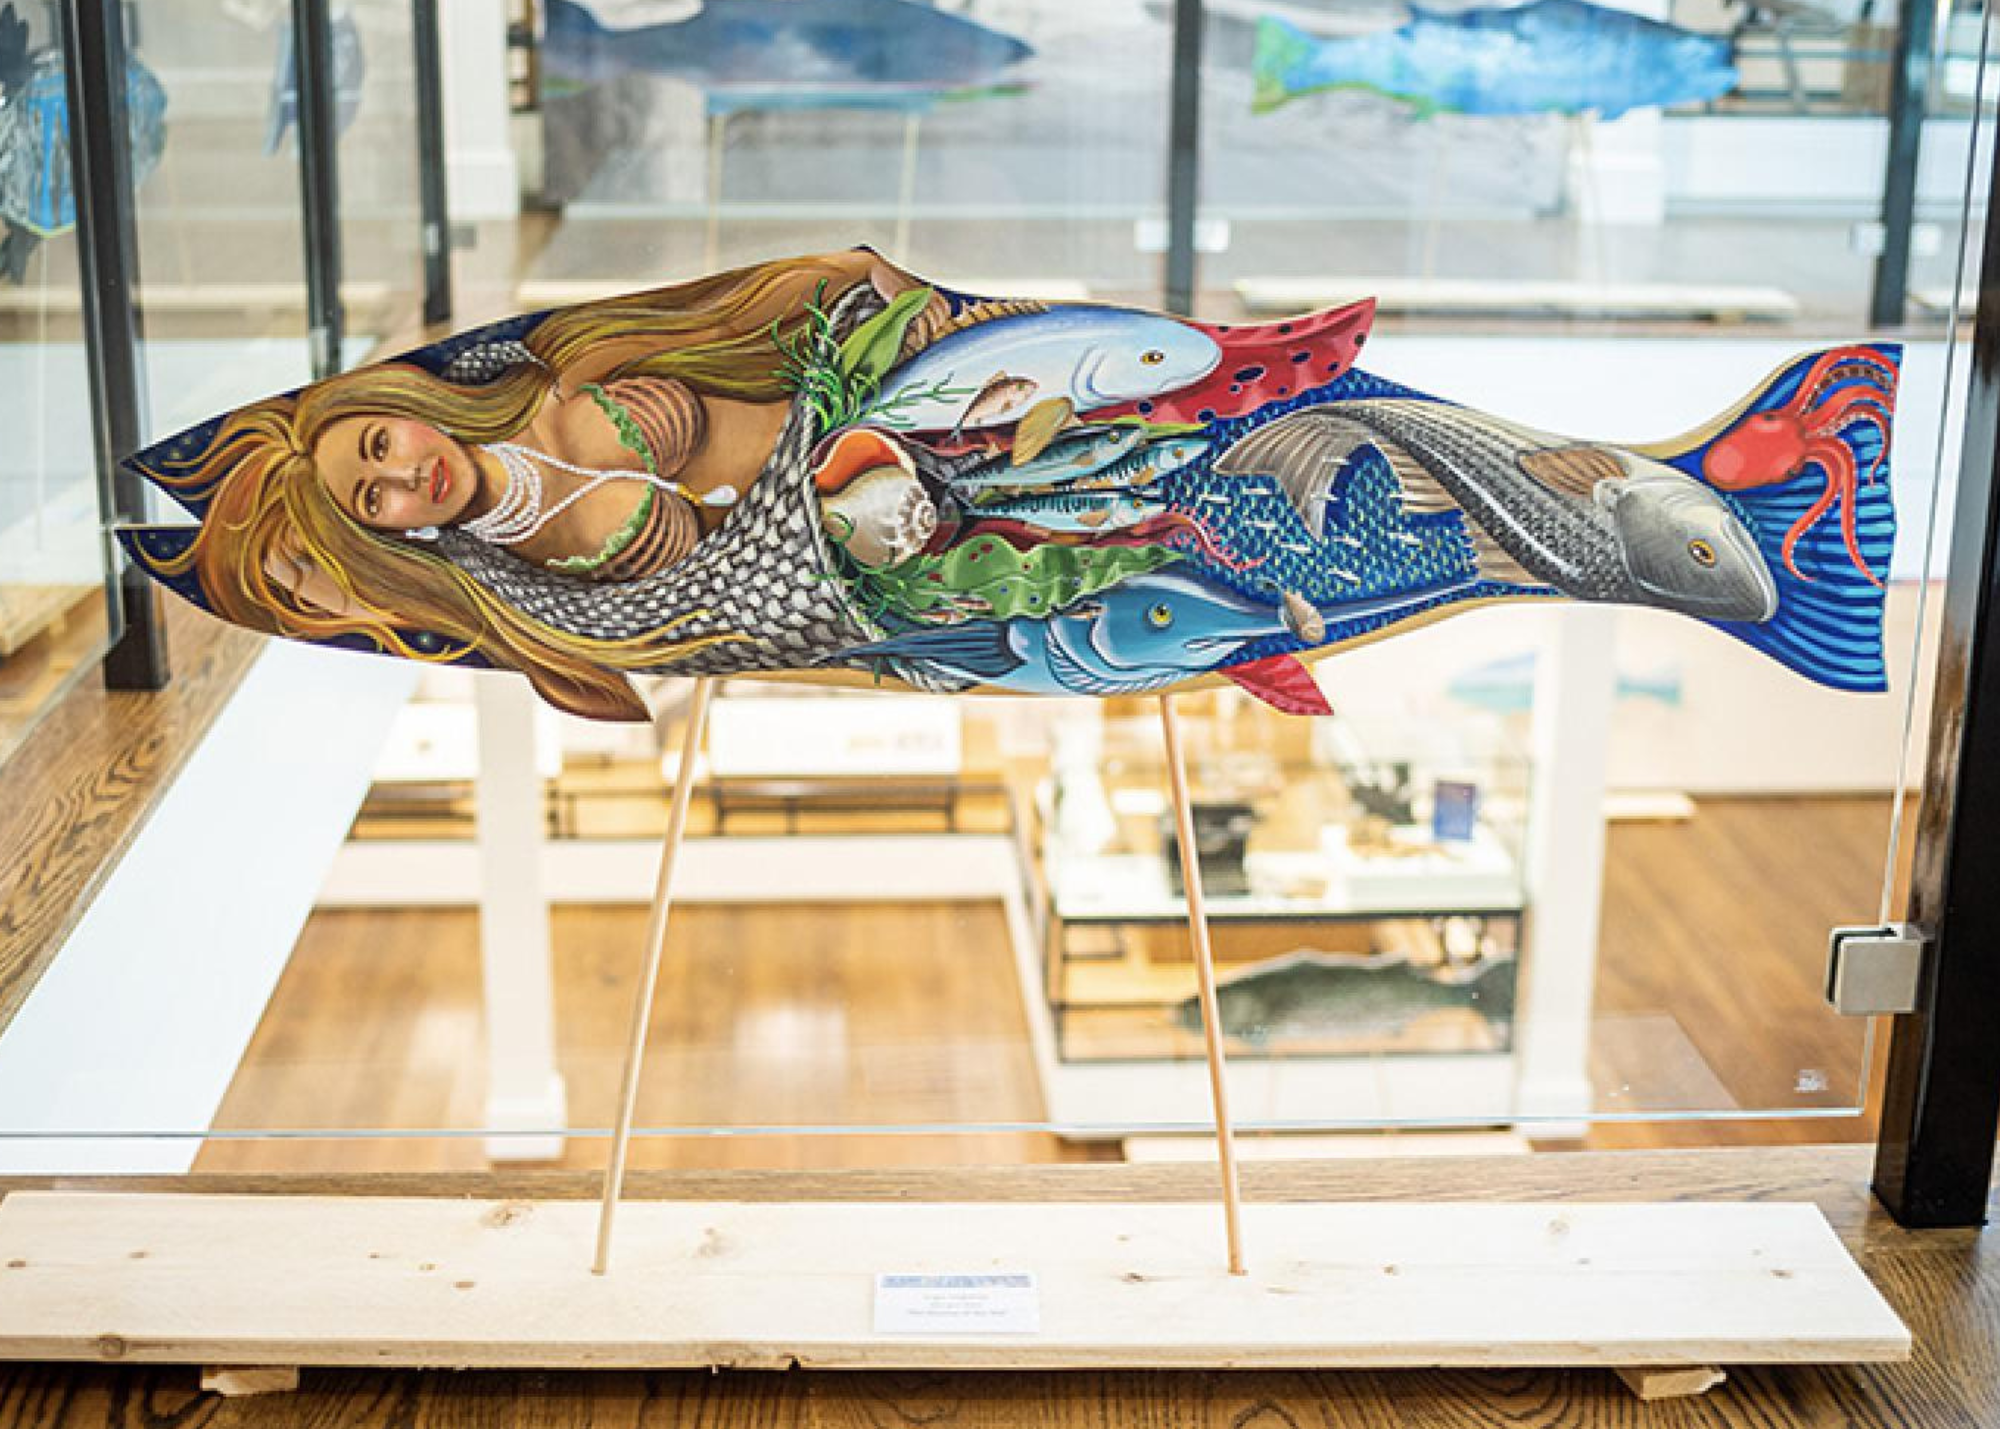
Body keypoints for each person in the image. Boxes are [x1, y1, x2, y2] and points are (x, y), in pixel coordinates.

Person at [134, 249, 923, 719]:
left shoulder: (549, 371)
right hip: (887, 565)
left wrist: (866, 283)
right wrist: (342, 590)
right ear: (383, 535)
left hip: (891, 395)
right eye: (375, 498)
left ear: (401, 404)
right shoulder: (514, 592)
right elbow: (633, 682)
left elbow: (722, 317)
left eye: (381, 443)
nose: (406, 473)